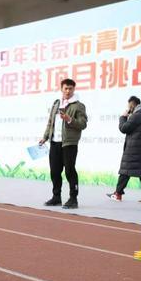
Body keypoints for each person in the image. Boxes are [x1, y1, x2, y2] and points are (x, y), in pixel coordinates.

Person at [39, 78, 88, 209]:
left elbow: (83, 124)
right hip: (54, 142)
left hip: (69, 143)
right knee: (54, 171)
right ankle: (56, 197)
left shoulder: (78, 106)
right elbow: (50, 122)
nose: (68, 91)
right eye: (65, 88)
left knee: (70, 171)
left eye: (70, 88)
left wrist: (69, 119)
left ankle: (73, 199)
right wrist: (45, 137)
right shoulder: (56, 104)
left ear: (74, 89)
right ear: (61, 89)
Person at [107, 96, 141, 204]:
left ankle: (117, 194)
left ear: (132, 105)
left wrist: (123, 117)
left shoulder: (137, 116)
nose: (128, 108)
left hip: (133, 149)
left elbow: (123, 128)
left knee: (125, 171)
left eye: (129, 106)